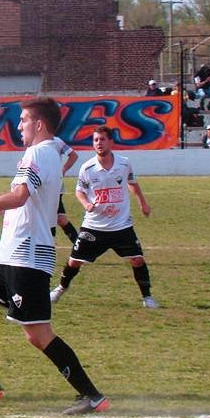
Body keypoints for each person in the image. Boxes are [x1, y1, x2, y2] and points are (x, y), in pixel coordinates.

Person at [0, 98, 110, 415]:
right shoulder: (50, 152)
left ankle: (92, 396)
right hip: (9, 255)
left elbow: (20, 196)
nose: (19, 125)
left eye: (23, 120)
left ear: (39, 124)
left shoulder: (39, 152)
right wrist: (2, 208)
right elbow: (29, 197)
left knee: (38, 335)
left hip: (27, 258)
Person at [49, 125, 158, 309]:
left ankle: (147, 298)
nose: (99, 143)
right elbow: (79, 191)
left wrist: (143, 203)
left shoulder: (124, 164)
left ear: (111, 142)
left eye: (102, 139)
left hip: (121, 225)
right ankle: (60, 289)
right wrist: (86, 204)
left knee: (137, 259)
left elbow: (132, 183)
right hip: (94, 226)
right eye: (96, 140)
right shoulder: (87, 168)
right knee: (74, 261)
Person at [51, 137, 80, 244]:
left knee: (52, 218)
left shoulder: (56, 141)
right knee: (59, 219)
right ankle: (80, 247)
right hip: (39, 187)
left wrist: (63, 170)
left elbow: (73, 155)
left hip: (54, 187)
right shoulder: (33, 142)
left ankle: (80, 247)